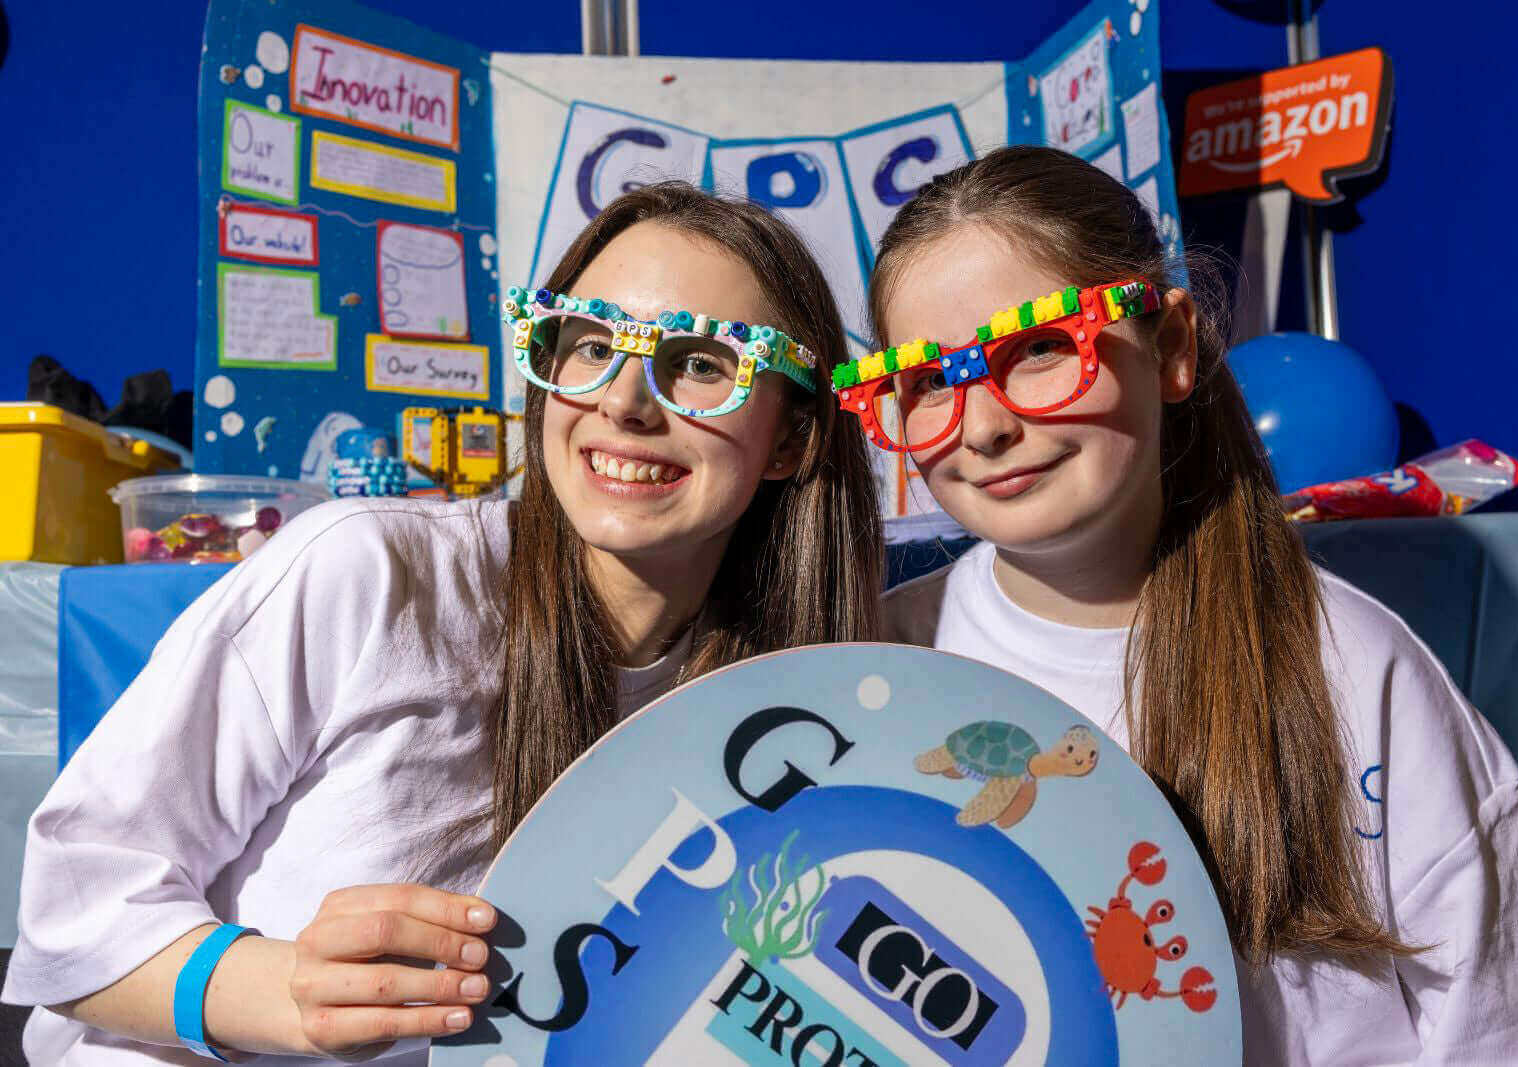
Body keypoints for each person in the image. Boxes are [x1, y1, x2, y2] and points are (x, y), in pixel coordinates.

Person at [2, 182, 882, 1064]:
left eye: (701, 362)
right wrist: (278, 988)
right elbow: (71, 894)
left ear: (793, 440)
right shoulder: (372, 571)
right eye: (589, 342)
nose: (624, 401)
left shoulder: (783, 702)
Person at [844, 145, 1518, 1063]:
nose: (988, 425)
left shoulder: (1352, 670)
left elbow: (1513, 1036)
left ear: (1169, 348)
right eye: (926, 380)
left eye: (1040, 347)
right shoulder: (880, 668)